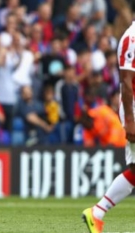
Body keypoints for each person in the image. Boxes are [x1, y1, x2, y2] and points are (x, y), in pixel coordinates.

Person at [82, 21, 135, 233]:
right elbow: (126, 82)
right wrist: (130, 120)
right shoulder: (131, 39)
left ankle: (97, 213)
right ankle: (97, 212)